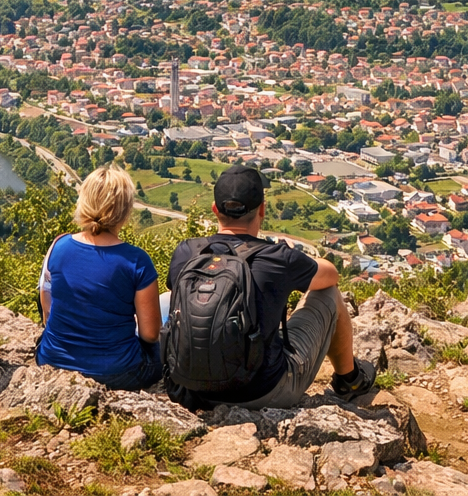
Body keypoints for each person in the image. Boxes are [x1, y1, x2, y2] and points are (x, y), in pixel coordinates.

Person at [164, 165, 375, 410]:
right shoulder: (276, 257)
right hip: (260, 392)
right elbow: (331, 274)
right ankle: (350, 380)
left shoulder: (186, 252)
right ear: (262, 210)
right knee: (328, 294)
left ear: (215, 210)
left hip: (189, 389)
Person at [37, 165, 163, 389]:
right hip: (116, 372)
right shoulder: (136, 261)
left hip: (53, 361)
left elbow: (47, 311)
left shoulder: (59, 246)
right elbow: (150, 334)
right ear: (125, 212)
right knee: (163, 349)